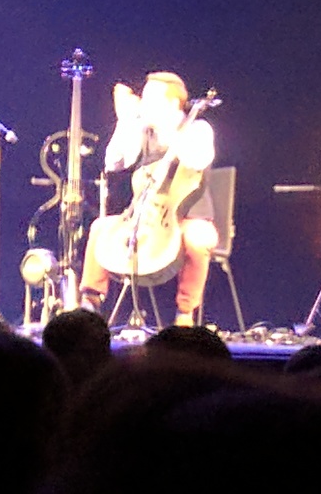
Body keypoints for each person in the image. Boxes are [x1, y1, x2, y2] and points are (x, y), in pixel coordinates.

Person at [79, 71, 218, 326]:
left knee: (198, 238)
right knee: (101, 227)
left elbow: (197, 159)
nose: (144, 103)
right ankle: (90, 301)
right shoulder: (143, 131)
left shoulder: (198, 128)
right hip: (146, 215)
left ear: (173, 103)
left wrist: (170, 130)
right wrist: (125, 122)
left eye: (150, 98)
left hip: (189, 215)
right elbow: (114, 162)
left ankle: (185, 313)